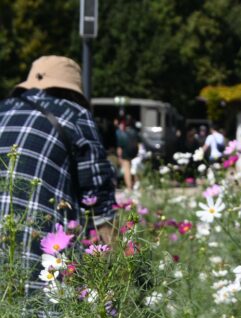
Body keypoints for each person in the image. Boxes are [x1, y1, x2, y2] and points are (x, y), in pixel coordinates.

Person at [0, 55, 116, 295]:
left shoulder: (3, 109)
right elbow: (98, 197)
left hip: (8, 242)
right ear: (73, 91)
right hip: (38, 255)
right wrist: (116, 273)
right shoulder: (75, 115)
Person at [115, 115, 139, 189]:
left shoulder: (121, 133)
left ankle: (129, 187)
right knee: (134, 169)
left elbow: (120, 146)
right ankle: (135, 184)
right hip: (134, 152)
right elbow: (138, 143)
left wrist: (119, 156)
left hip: (125, 152)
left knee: (127, 170)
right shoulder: (135, 132)